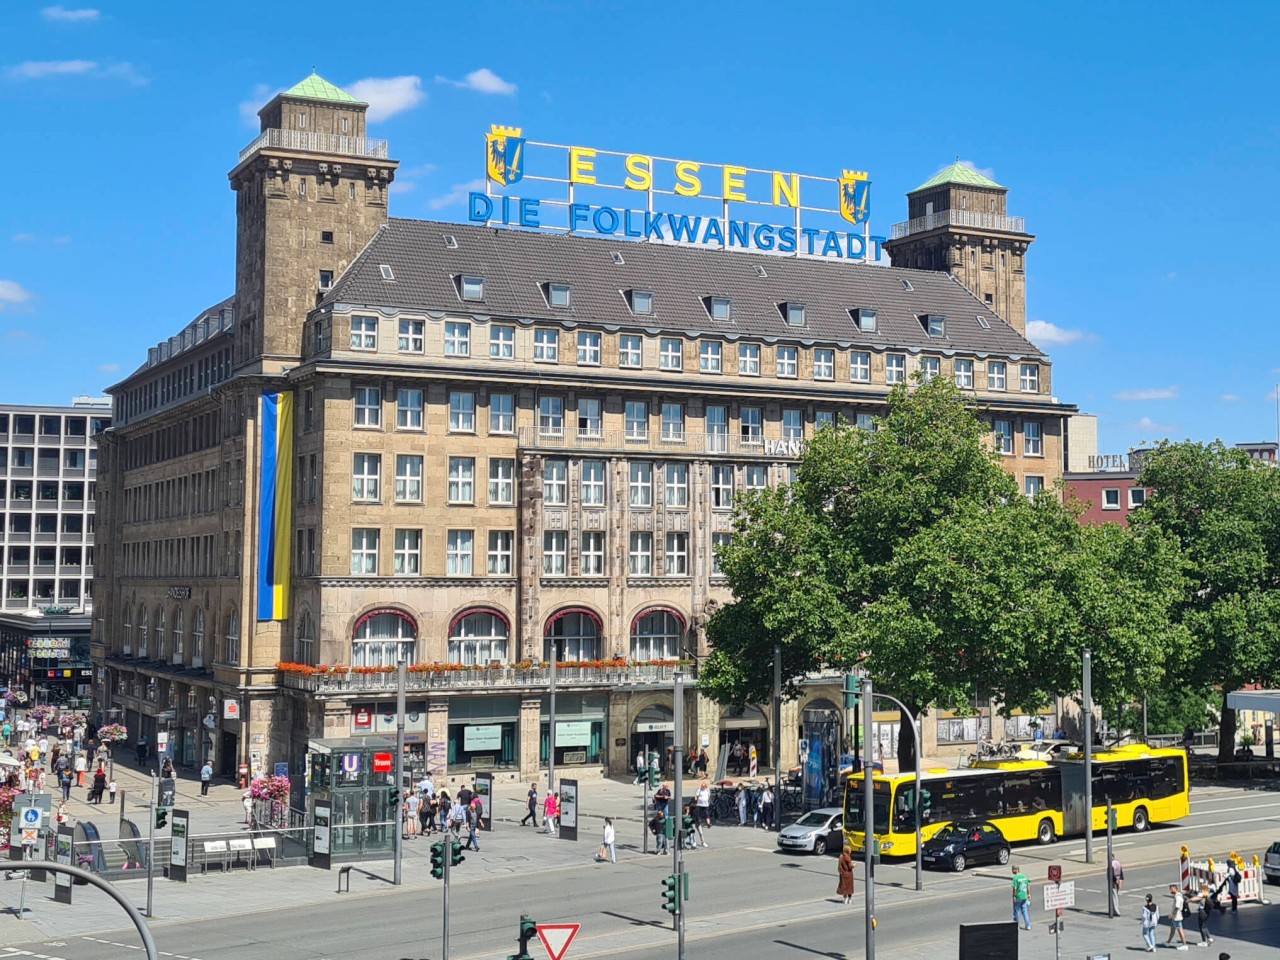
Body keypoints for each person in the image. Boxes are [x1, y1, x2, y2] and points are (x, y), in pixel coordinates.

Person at [1166, 884, 1189, 949]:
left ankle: (1184, 945)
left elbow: (1177, 907)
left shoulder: (1178, 897)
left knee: (1180, 930)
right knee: (1172, 929)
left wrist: (1172, 914)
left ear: (1175, 889)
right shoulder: (1177, 896)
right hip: (1175, 917)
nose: (1170, 890)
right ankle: (1168, 942)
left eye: (1171, 889)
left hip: (1177, 916)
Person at [1011, 865, 1031, 930]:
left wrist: (1014, 896)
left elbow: (1015, 888)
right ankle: (1028, 925)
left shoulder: (1015, 878)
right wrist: (1028, 894)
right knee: (1024, 910)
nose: (1012, 871)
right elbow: (1028, 885)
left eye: (1012, 869)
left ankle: (1016, 925)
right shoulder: (1024, 876)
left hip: (1018, 896)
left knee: (1016, 911)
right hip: (1024, 896)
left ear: (1015, 870)